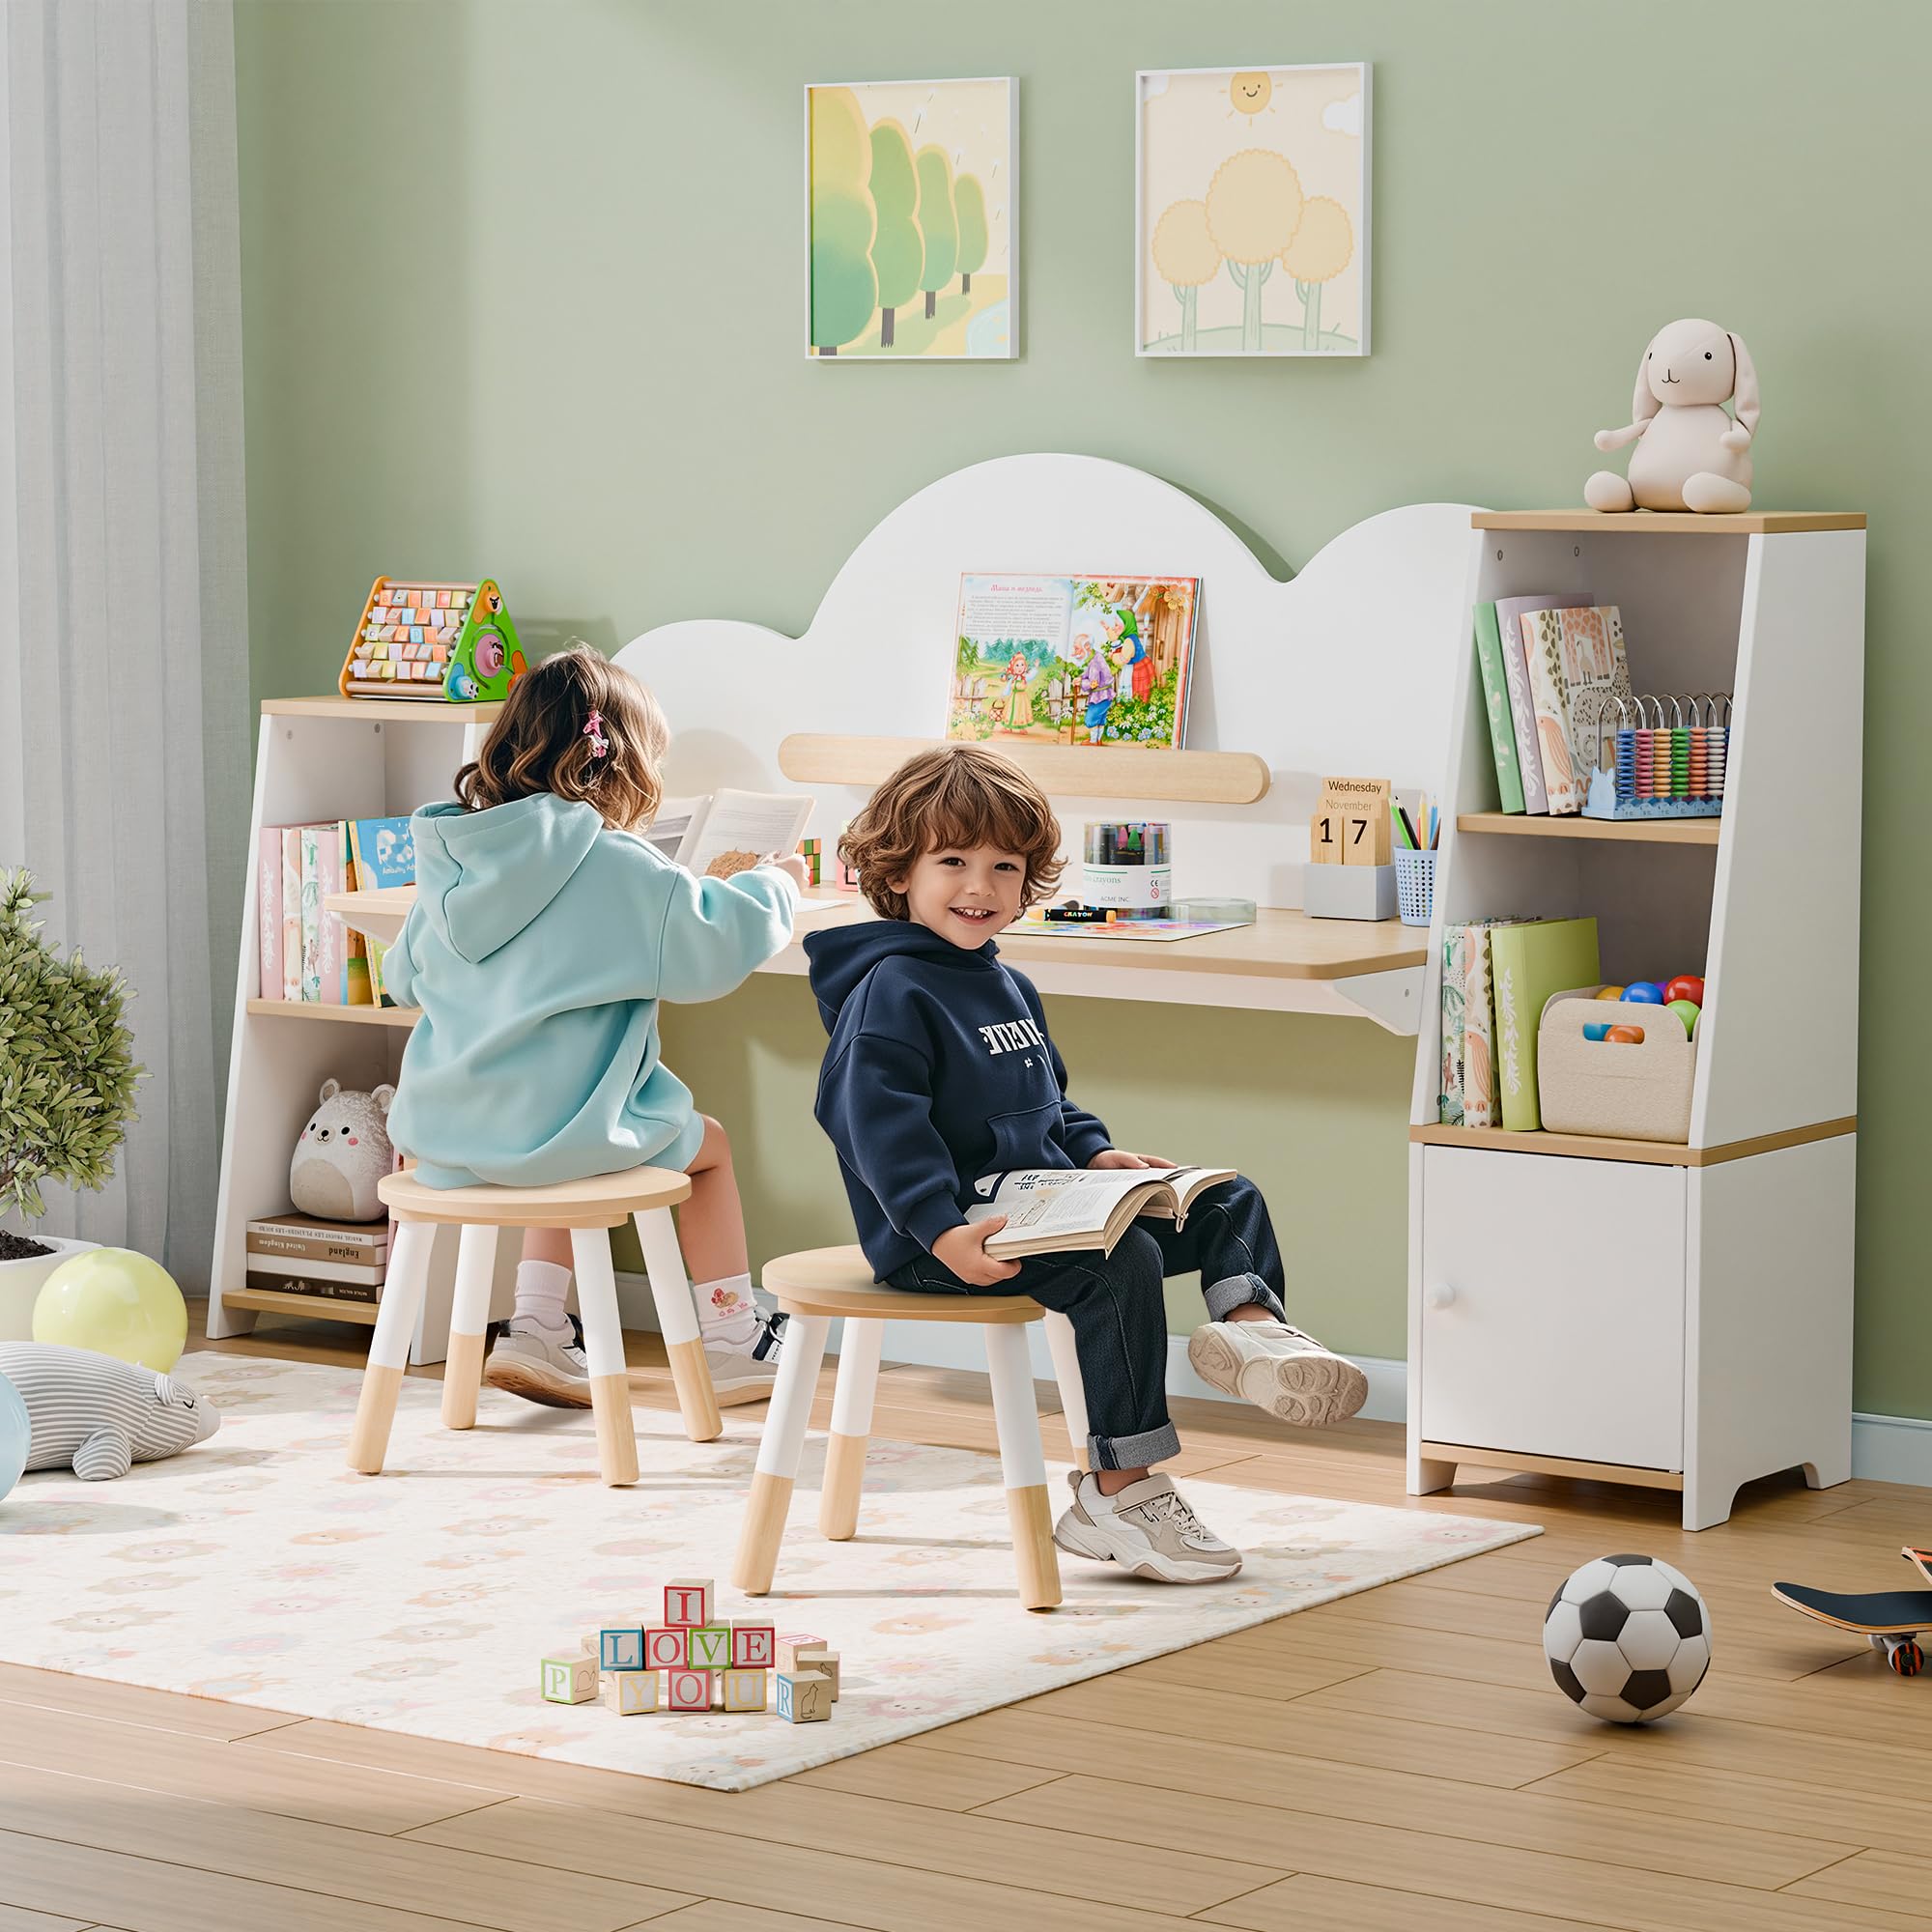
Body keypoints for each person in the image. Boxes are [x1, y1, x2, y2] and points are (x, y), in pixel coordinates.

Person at [803, 744, 1367, 1584]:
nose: (980, 887)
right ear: (899, 871)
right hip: (952, 1241)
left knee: (1219, 1199)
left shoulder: (1005, 984)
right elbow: (875, 1130)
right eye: (952, 862)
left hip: (1047, 1207)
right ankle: (1120, 1489)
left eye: (1005, 866)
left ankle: (1254, 1336)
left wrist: (1095, 1152)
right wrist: (944, 1232)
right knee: (1122, 1262)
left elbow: (1045, 1102)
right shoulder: (891, 991)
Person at [384, 646, 805, 1408]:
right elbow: (711, 947)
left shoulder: (451, 862)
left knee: (556, 1130)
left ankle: (539, 1323)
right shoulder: (617, 865)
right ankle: (735, 1338)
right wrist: (776, 883)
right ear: (624, 763)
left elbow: (402, 978)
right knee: (704, 1149)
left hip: (446, 1136)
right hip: (559, 1138)